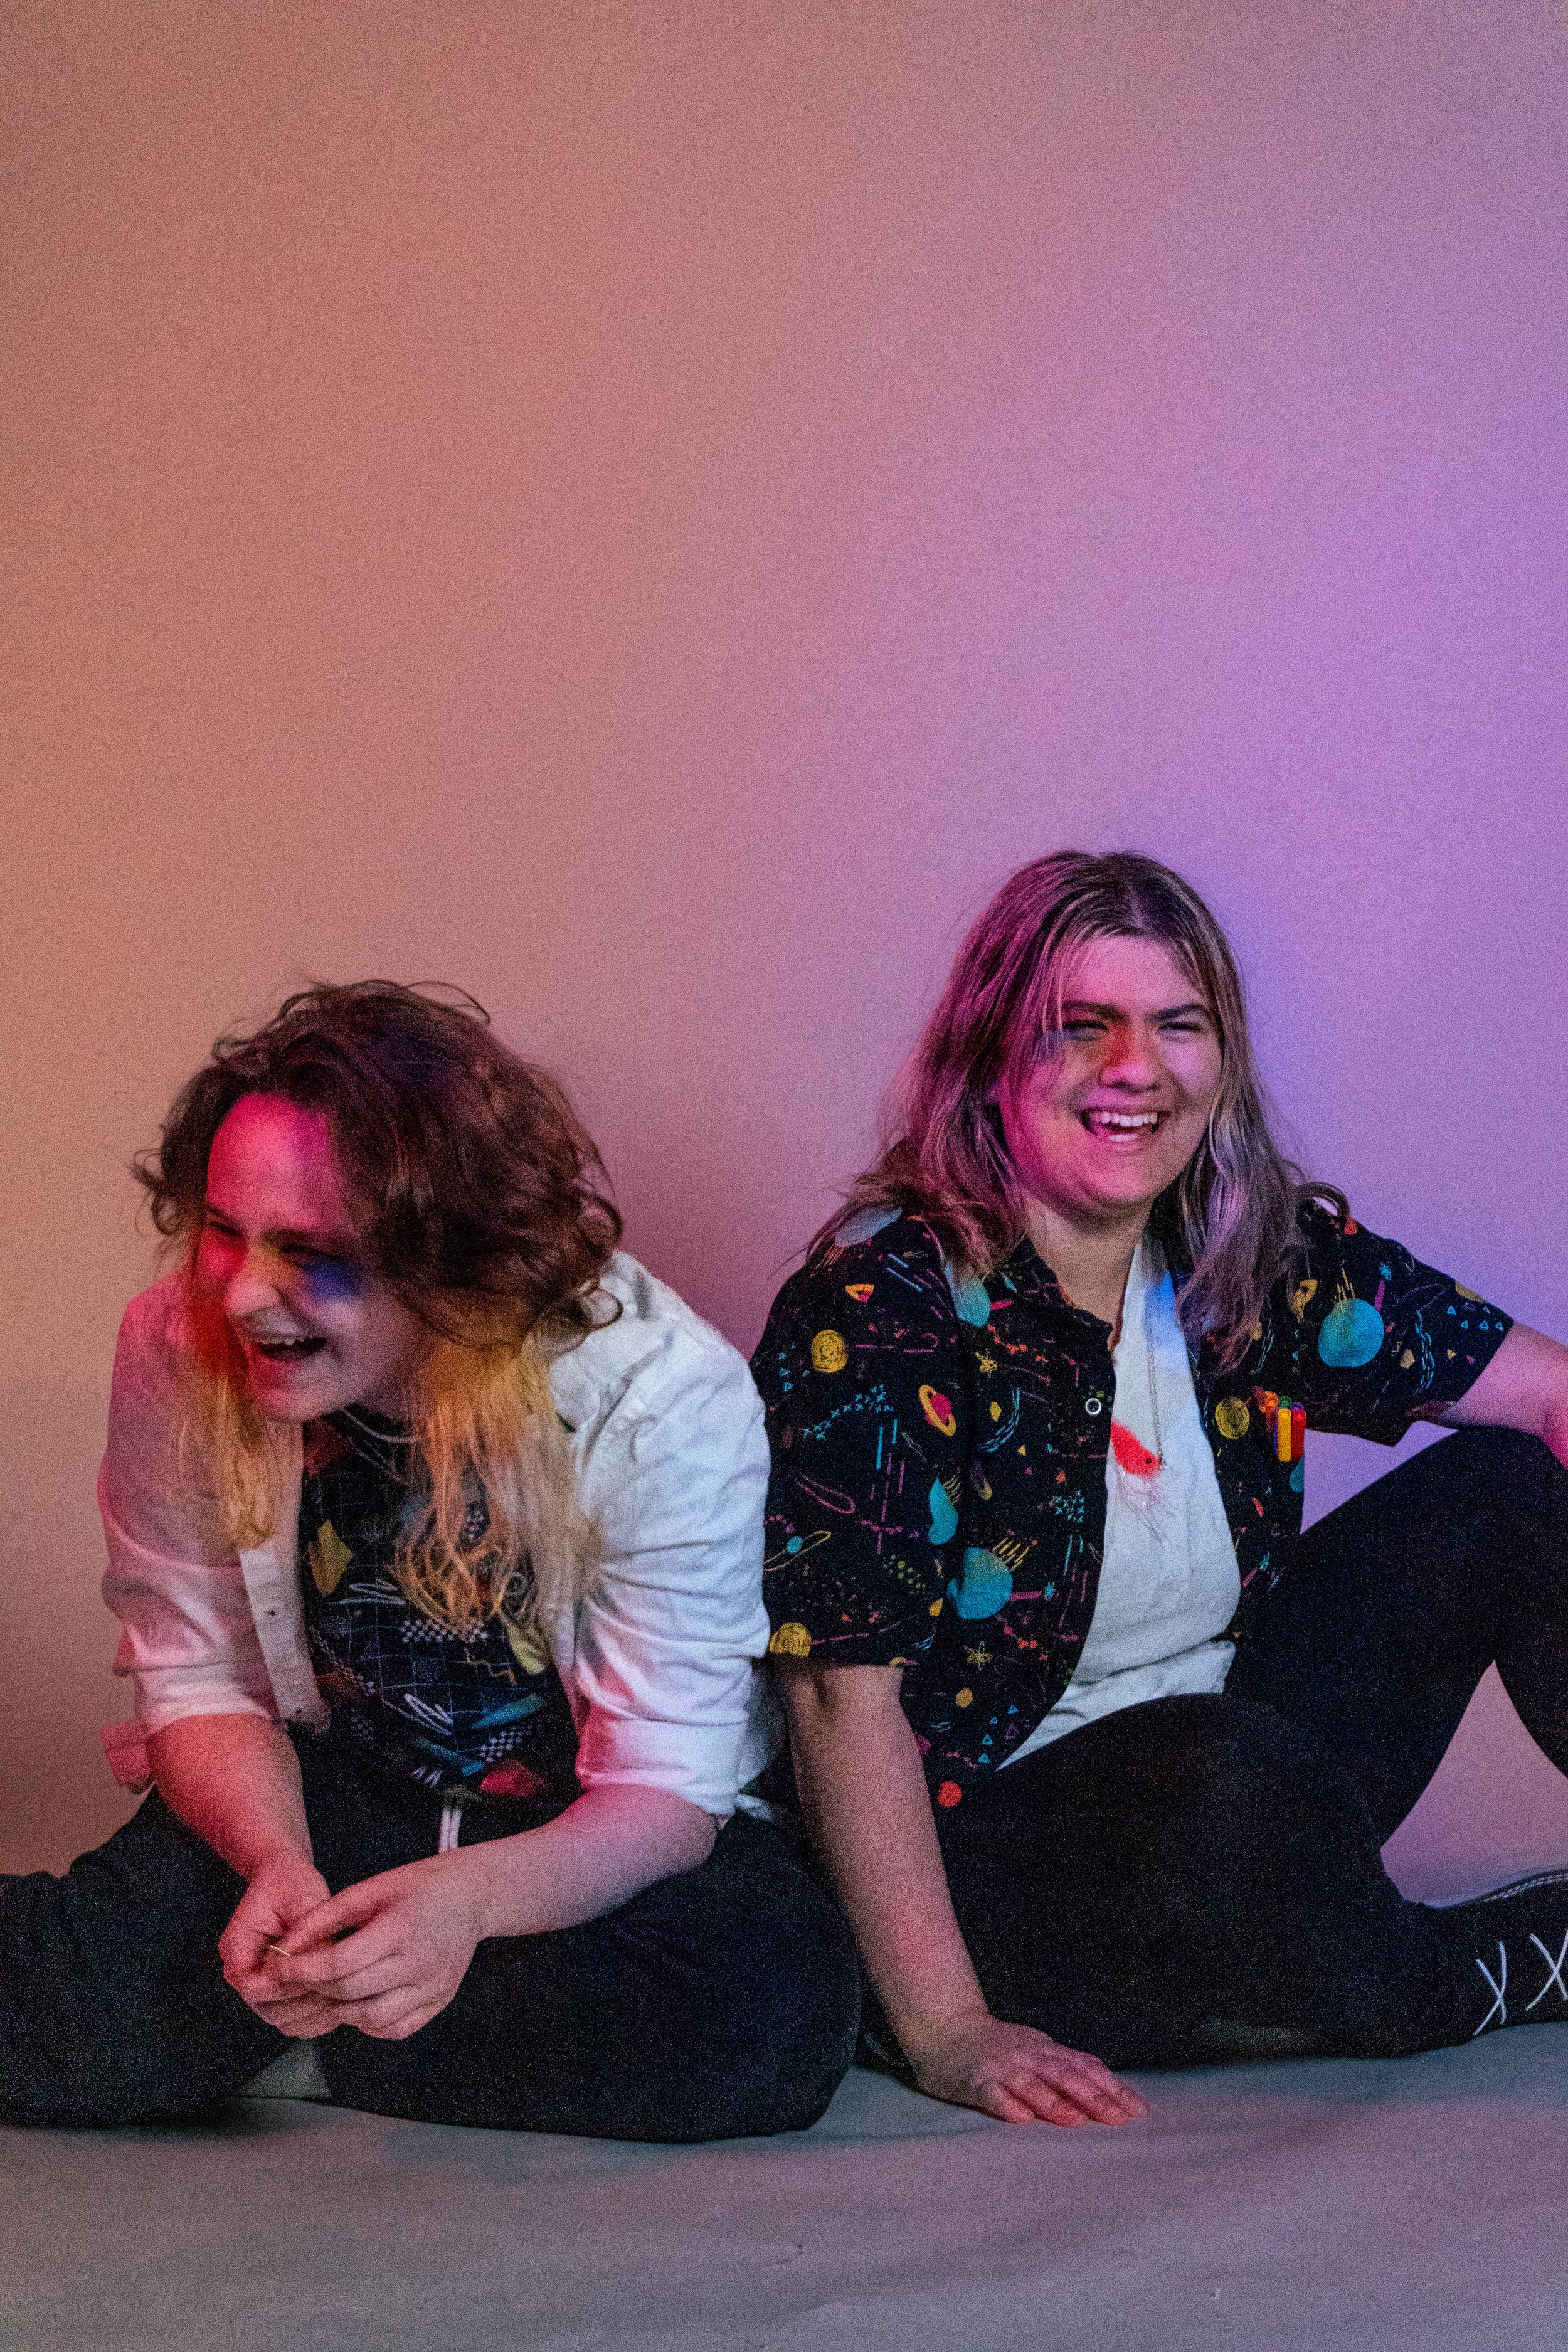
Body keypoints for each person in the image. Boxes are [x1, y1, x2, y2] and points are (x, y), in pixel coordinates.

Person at [752, 850, 1568, 2131]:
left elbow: (1549, 1395)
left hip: (1244, 1797)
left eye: (1176, 1025)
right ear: (987, 1053)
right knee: (1223, 1771)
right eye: (1079, 1025)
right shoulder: (879, 1307)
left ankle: (1320, 1934)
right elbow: (831, 1695)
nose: (1133, 1066)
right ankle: (1459, 1973)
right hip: (1002, 1852)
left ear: (1219, 1058)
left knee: (1514, 1488)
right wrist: (948, 2029)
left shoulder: (1244, 1250)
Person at [1, 982, 860, 2139]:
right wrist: (274, 1862)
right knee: (83, 1997)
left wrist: (466, 1907)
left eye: (311, 1250)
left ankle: (272, 2042)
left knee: (771, 2013)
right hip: (326, 1793)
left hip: (572, 1833)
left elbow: (667, 1785)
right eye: (224, 1228)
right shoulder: (176, 1344)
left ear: (450, 1261)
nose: (243, 1293)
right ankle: (309, 2018)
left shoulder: (659, 1394)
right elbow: (200, 1682)